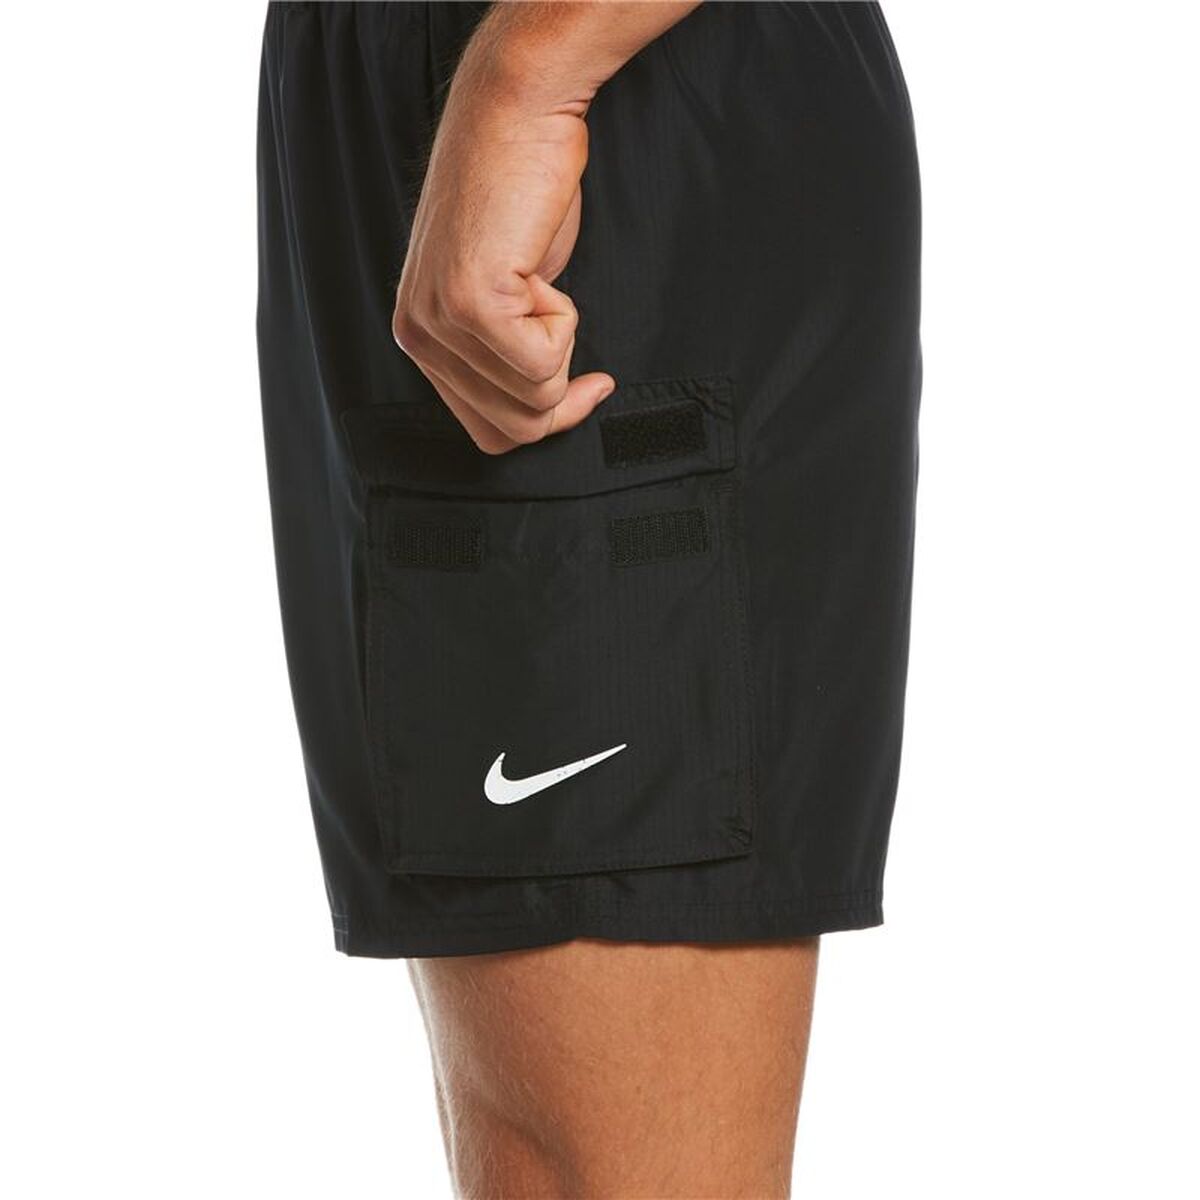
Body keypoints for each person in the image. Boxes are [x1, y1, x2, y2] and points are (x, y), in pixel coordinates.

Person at [255, 1, 922, 1194]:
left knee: (592, 1167)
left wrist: (530, 71)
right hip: (414, 86)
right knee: (529, 1141)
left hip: (606, 103)